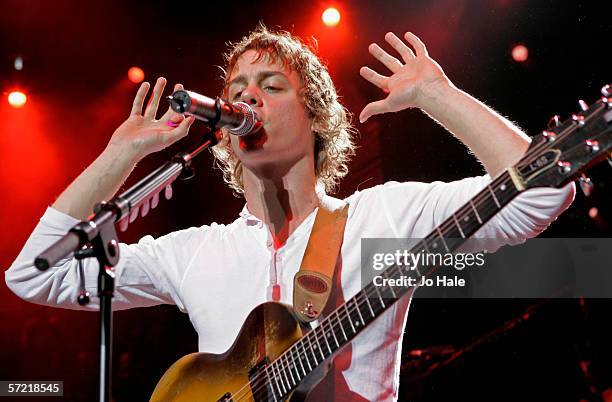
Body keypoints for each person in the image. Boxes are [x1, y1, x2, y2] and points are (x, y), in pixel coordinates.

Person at [5, 25, 574, 401]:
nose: (246, 99)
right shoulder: (196, 251)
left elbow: (543, 192)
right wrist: (119, 154)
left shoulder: (384, 218)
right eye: (237, 89)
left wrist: (439, 96)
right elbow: (34, 274)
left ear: (318, 119)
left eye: (271, 86)